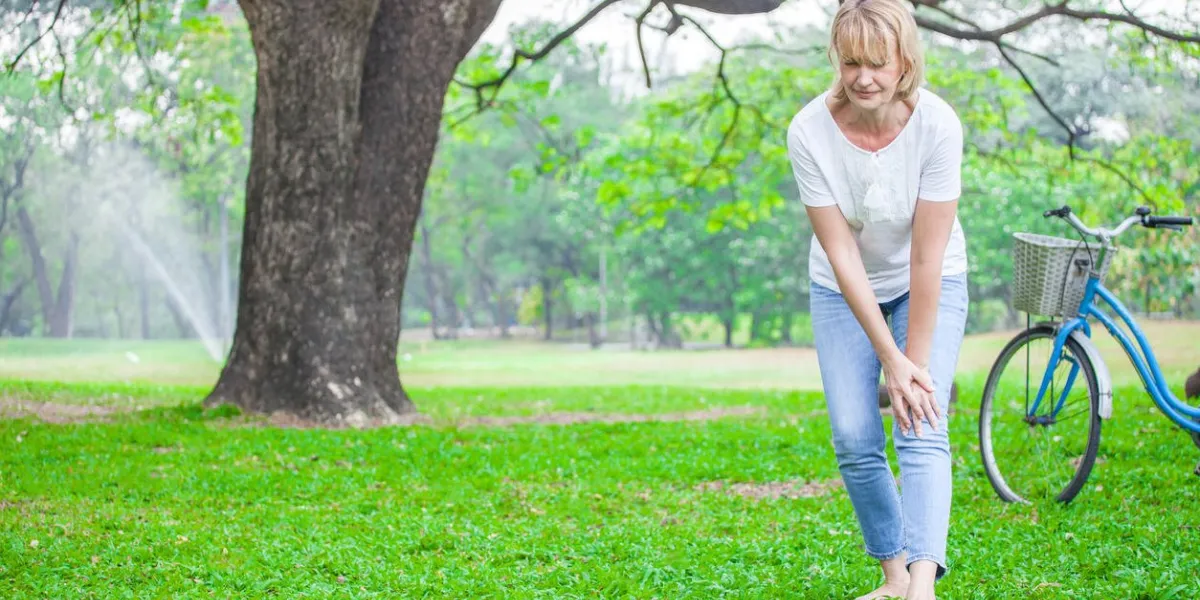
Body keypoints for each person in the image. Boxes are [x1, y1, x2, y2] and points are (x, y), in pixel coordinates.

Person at [785, 1, 969, 599]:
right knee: (855, 436)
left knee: (922, 421)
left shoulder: (938, 125)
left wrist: (910, 366)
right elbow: (841, 254)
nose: (863, 77)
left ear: (905, 60)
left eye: (877, 63)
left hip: (928, 276)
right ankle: (892, 577)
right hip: (843, 287)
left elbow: (926, 258)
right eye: (850, 63)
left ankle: (922, 586)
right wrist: (889, 358)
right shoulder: (808, 130)